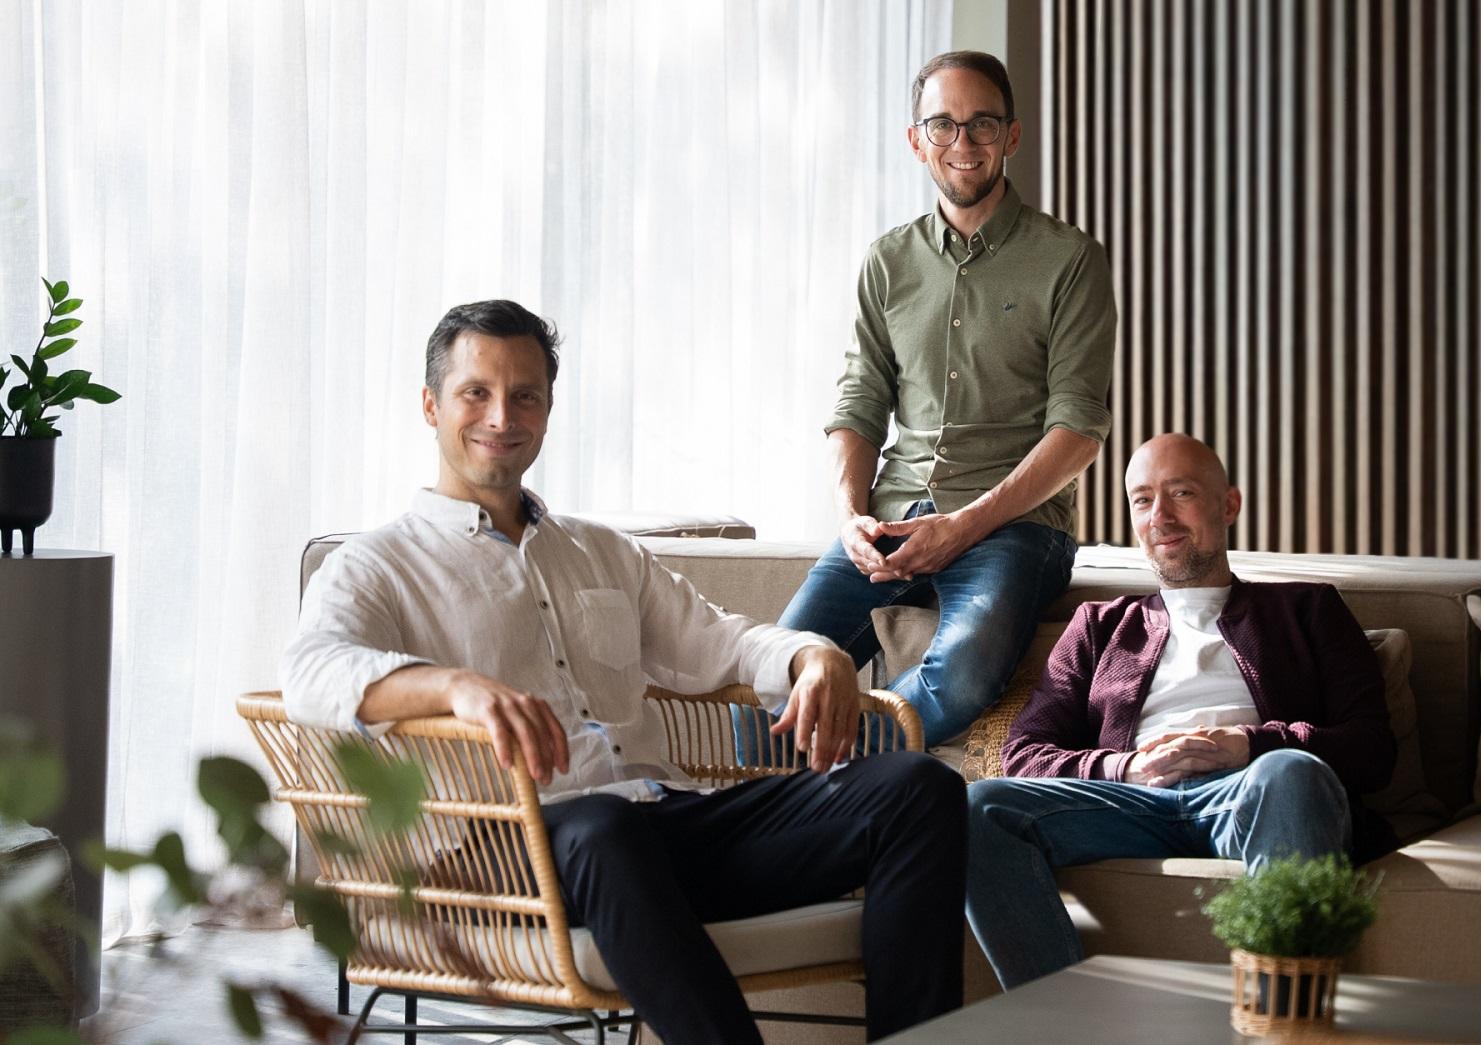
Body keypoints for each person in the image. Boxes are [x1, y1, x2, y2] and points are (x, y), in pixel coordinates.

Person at [282, 300, 965, 1044]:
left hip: (663, 826)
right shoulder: (377, 564)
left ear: (547, 410)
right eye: (476, 392)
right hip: (500, 853)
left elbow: (719, 642)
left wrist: (811, 653)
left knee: (916, 788)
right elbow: (311, 672)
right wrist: (453, 686)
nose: (501, 416)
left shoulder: (601, 551)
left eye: (525, 395)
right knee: (601, 827)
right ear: (430, 405)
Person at [962, 434, 1397, 989]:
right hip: (1132, 803)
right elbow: (1023, 755)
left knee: (1289, 772)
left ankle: (1283, 1016)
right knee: (977, 807)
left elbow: (1371, 749)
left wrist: (1250, 745)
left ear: (1228, 505)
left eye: (1181, 493)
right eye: (1143, 500)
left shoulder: (1308, 610)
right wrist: (1124, 768)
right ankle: (1060, 1016)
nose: (1160, 516)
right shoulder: (1098, 626)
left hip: (1252, 792)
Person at [778, 50, 1117, 743]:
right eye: (943, 125)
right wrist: (849, 517)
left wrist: (963, 527)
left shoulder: (1070, 260)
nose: (963, 143)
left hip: (1015, 527)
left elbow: (1078, 429)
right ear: (917, 140)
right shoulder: (888, 261)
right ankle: (814, 795)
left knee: (961, 675)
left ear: (1011, 135)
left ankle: (857, 778)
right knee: (771, 671)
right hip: (890, 516)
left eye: (982, 123)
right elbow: (859, 402)